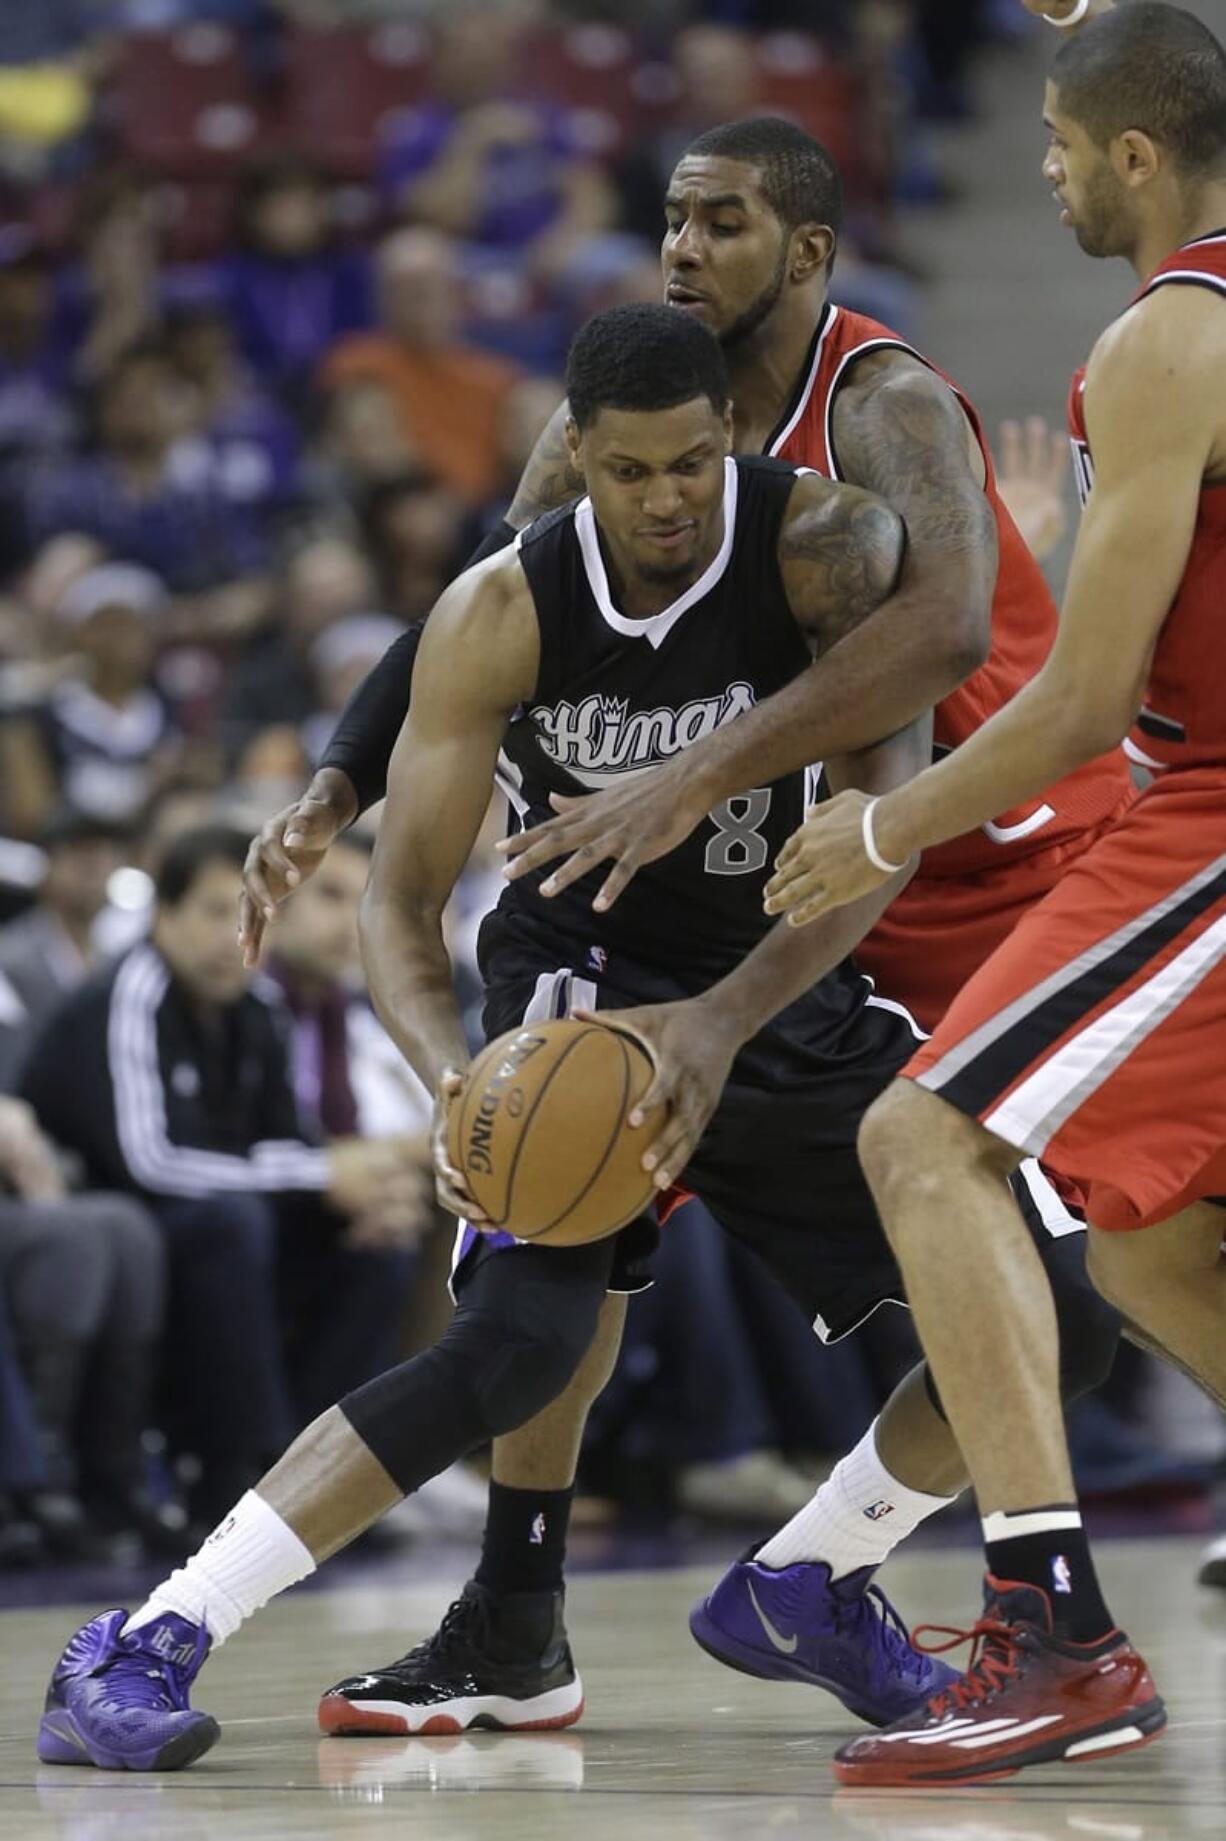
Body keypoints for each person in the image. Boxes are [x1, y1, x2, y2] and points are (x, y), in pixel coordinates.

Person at [236, 115, 1133, 1730]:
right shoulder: (637, 407)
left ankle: (854, 1571)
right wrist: (338, 776)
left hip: (992, 861)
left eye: (718, 224)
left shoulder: (887, 402)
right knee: (566, 1192)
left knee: (1108, 1264)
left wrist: (689, 775)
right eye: (669, 220)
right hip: (811, 881)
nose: (678, 249)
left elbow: (937, 631)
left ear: (802, 252)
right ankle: (556, 1606)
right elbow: (492, 596)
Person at [30, 303, 957, 1769]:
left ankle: (805, 1575)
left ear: (728, 437)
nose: (665, 498)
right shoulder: (502, 610)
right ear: (571, 458)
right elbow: (402, 912)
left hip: (776, 979)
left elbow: (872, 840)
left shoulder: (816, 549)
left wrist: (719, 1023)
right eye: (631, 470)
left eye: (693, 464)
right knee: (518, 1339)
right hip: (578, 983)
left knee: (1048, 1308)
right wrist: (454, 1081)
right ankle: (147, 1638)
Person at [743, 0, 1226, 1786]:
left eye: (1053, 135)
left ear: (1131, 154)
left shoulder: (1171, 338)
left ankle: (1058, 1634)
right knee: (1155, 1234)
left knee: (923, 1140)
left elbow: (1086, 702)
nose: (1031, 168)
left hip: (1215, 807)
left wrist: (878, 828)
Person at [20, 824, 428, 1526]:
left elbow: (287, 1144)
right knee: (230, 1224)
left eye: (254, 912)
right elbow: (151, 1160)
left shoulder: (257, 1008)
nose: (233, 933)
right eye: (215, 910)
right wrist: (321, 1172)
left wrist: (348, 1189)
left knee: (375, 1234)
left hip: (207, 1225)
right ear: (162, 915)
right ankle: (239, 1473)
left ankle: (322, 1468)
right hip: (111, 1221)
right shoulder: (129, 993)